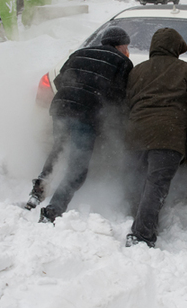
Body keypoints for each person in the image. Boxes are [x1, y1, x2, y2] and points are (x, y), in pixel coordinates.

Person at [30, 27, 133, 223]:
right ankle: (53, 210)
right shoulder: (122, 62)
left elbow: (60, 81)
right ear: (120, 46)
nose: (127, 51)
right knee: (77, 169)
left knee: (57, 150)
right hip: (86, 114)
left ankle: (36, 194)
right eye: (126, 47)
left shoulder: (79, 53)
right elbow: (119, 98)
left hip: (60, 108)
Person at [123, 27, 187, 247]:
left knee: (137, 177)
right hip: (169, 134)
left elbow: (129, 101)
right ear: (176, 48)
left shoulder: (138, 70)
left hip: (136, 131)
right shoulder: (186, 69)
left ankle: (135, 216)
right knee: (156, 183)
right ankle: (142, 234)